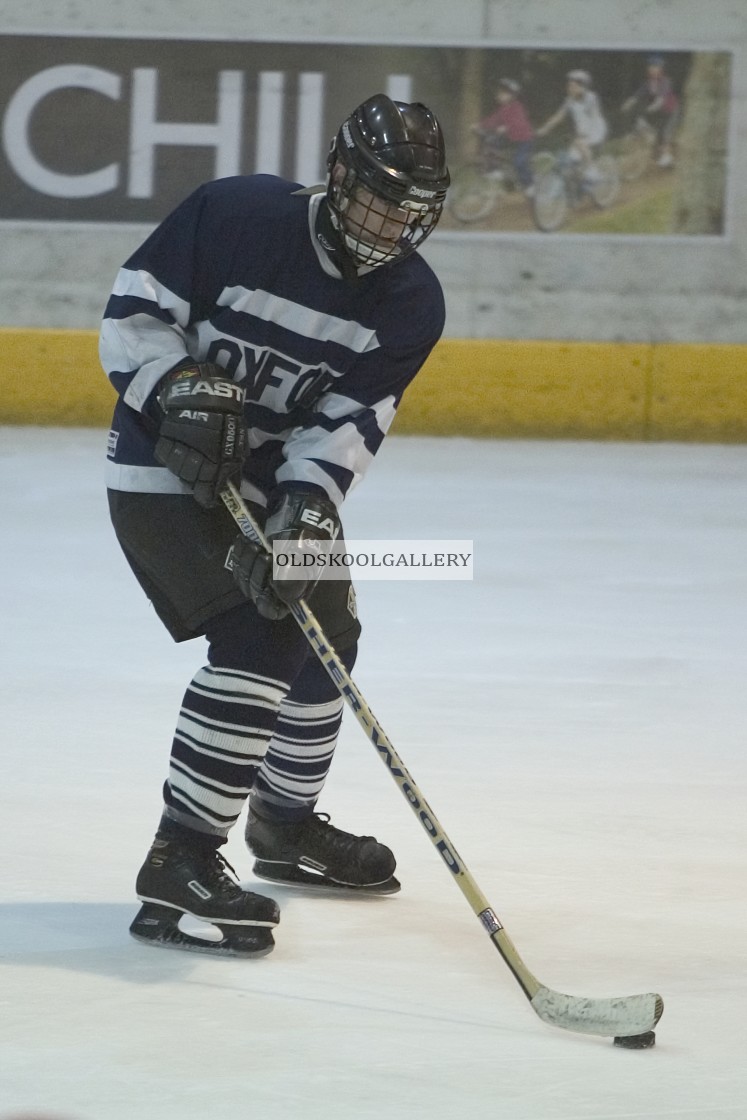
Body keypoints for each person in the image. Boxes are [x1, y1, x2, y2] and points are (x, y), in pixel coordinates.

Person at [99, 93, 450, 957]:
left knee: (328, 630)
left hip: (270, 483)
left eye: (409, 210)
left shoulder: (410, 301)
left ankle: (284, 828)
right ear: (336, 174)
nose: (389, 225)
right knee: (259, 637)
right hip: (159, 472)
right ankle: (179, 857)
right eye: (376, 199)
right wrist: (176, 386)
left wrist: (306, 504)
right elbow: (135, 315)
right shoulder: (236, 213)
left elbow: (347, 423)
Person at [471, 78, 536, 197]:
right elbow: (493, 120)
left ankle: (530, 184)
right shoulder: (503, 109)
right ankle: (496, 171)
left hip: (524, 139)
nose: (499, 95)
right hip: (511, 138)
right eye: (499, 92)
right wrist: (479, 125)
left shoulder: (517, 107)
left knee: (519, 162)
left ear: (512, 95)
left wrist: (506, 127)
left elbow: (518, 121)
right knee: (491, 143)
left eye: (503, 93)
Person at [535, 69, 608, 174]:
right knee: (571, 160)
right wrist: (545, 129)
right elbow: (559, 116)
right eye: (569, 86)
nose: (570, 89)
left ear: (583, 87)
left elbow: (594, 116)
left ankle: (593, 171)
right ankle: (580, 183)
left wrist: (585, 134)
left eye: (573, 86)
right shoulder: (569, 101)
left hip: (596, 129)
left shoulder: (591, 98)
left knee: (580, 143)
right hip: (581, 133)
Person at [621, 54, 680, 168]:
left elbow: (661, 99)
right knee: (645, 125)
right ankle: (653, 149)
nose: (652, 69)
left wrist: (653, 107)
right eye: (650, 66)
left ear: (660, 68)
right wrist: (628, 103)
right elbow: (637, 95)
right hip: (660, 112)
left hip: (671, 110)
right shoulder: (648, 83)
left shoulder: (665, 81)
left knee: (664, 132)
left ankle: (667, 156)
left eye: (655, 66)